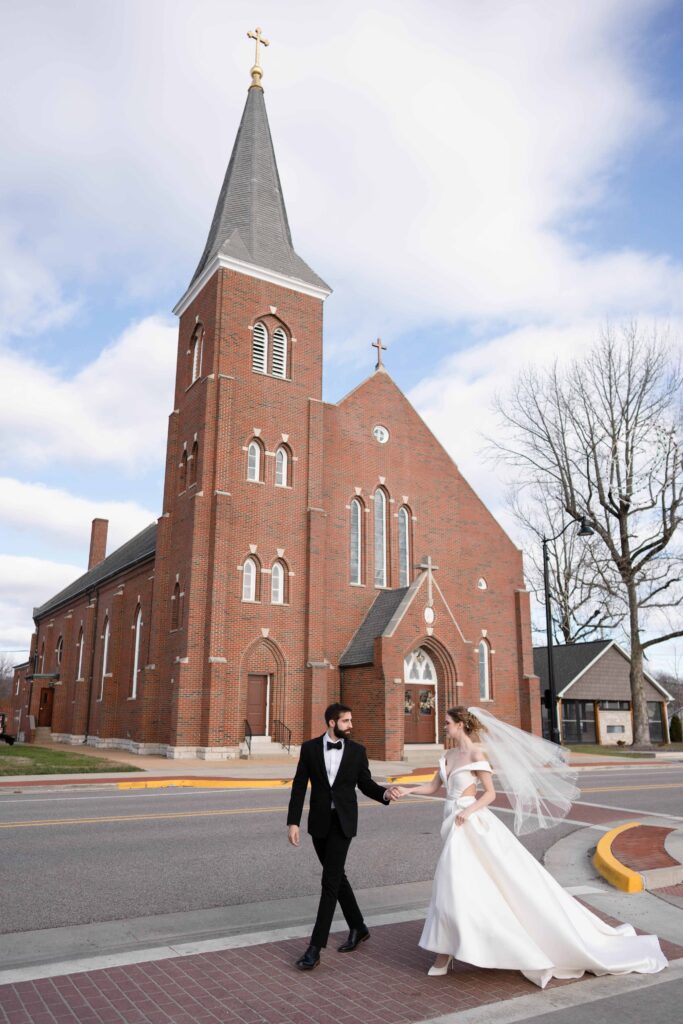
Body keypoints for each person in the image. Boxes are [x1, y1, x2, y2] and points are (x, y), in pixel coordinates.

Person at [395, 705, 668, 989]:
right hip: (453, 821)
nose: (444, 727)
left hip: (471, 824)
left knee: (458, 882)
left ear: (461, 725)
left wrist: (470, 810)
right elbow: (432, 788)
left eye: (448, 723)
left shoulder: (477, 754)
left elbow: (489, 794)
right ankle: (454, 946)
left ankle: (446, 952)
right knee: (458, 883)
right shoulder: (447, 755)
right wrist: (408, 790)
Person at [286, 702, 400, 970]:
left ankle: (315, 948)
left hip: (343, 824)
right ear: (332, 723)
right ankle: (359, 927)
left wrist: (384, 793)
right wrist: (293, 822)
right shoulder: (310, 748)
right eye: (346, 721)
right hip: (319, 824)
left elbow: (366, 784)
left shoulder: (357, 751)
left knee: (329, 882)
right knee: (338, 877)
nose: (351, 725)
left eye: (351, 720)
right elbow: (300, 786)